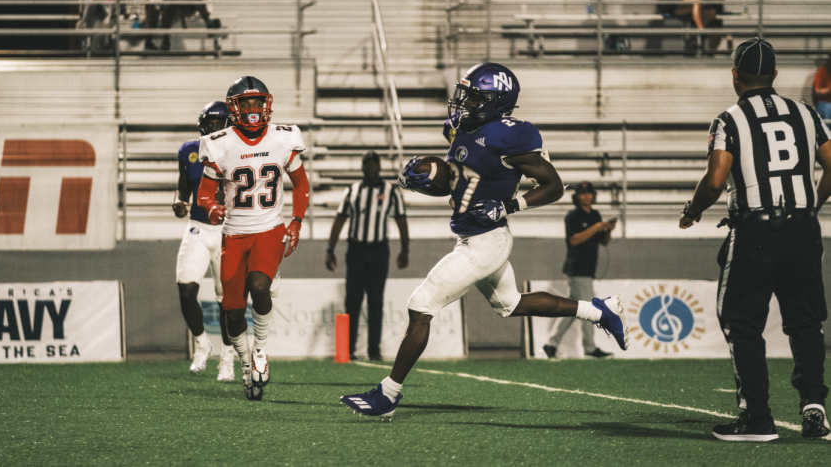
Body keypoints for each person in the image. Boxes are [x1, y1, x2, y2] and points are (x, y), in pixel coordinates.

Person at [340, 62, 630, 419]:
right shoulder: (462, 128)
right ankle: (599, 310)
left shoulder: (509, 135)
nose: (464, 103)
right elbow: (458, 183)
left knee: (421, 307)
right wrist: (421, 181)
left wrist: (509, 205)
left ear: (496, 101)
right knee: (511, 304)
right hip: (475, 235)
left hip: (486, 241)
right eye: (465, 95)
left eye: (474, 97)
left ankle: (388, 395)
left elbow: (553, 186)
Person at [680, 37, 831, 441]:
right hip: (802, 226)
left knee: (741, 321)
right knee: (806, 321)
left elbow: (715, 180)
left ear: (734, 75)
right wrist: (810, 207)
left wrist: (692, 211)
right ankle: (814, 404)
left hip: (755, 228)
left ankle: (758, 418)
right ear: (776, 76)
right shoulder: (806, 113)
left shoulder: (729, 118)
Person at [196, 76, 309, 401]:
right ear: (234, 108)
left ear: (266, 104)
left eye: (257, 102)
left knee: (260, 286)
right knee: (232, 312)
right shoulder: (220, 142)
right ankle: (247, 366)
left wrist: (296, 221)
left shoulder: (283, 138)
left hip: (269, 230)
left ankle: (260, 352)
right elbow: (204, 192)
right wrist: (211, 205)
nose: (253, 109)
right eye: (245, 104)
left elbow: (301, 184)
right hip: (234, 235)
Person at [326, 150, 409, 361]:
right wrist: (330, 249)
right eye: (367, 164)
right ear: (362, 167)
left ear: (379, 166)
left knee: (376, 301)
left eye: (374, 164)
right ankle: (348, 349)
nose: (370, 167)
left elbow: (401, 220)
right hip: (356, 250)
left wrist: (405, 249)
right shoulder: (352, 191)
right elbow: (339, 219)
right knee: (352, 301)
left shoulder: (391, 191)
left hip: (379, 250)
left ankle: (374, 349)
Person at [174, 101, 237, 380]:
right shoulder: (190, 151)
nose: (212, 128)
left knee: (226, 301)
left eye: (218, 122)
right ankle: (202, 343)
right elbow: (184, 185)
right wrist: (179, 201)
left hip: (227, 230)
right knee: (186, 288)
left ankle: (227, 358)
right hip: (198, 226)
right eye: (209, 123)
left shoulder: (237, 151)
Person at [543, 181, 616, 359]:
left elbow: (603, 241)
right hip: (577, 268)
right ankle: (590, 348)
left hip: (588, 268)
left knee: (573, 309)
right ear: (577, 197)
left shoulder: (595, 215)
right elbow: (574, 240)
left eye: (589, 193)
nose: (587, 196)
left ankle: (551, 344)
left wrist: (607, 230)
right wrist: (596, 227)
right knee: (591, 309)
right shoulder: (573, 216)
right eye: (583, 193)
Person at [811, 51, 831, 120]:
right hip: (824, 103)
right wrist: (828, 90)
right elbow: (817, 91)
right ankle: (827, 130)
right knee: (829, 108)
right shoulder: (822, 71)